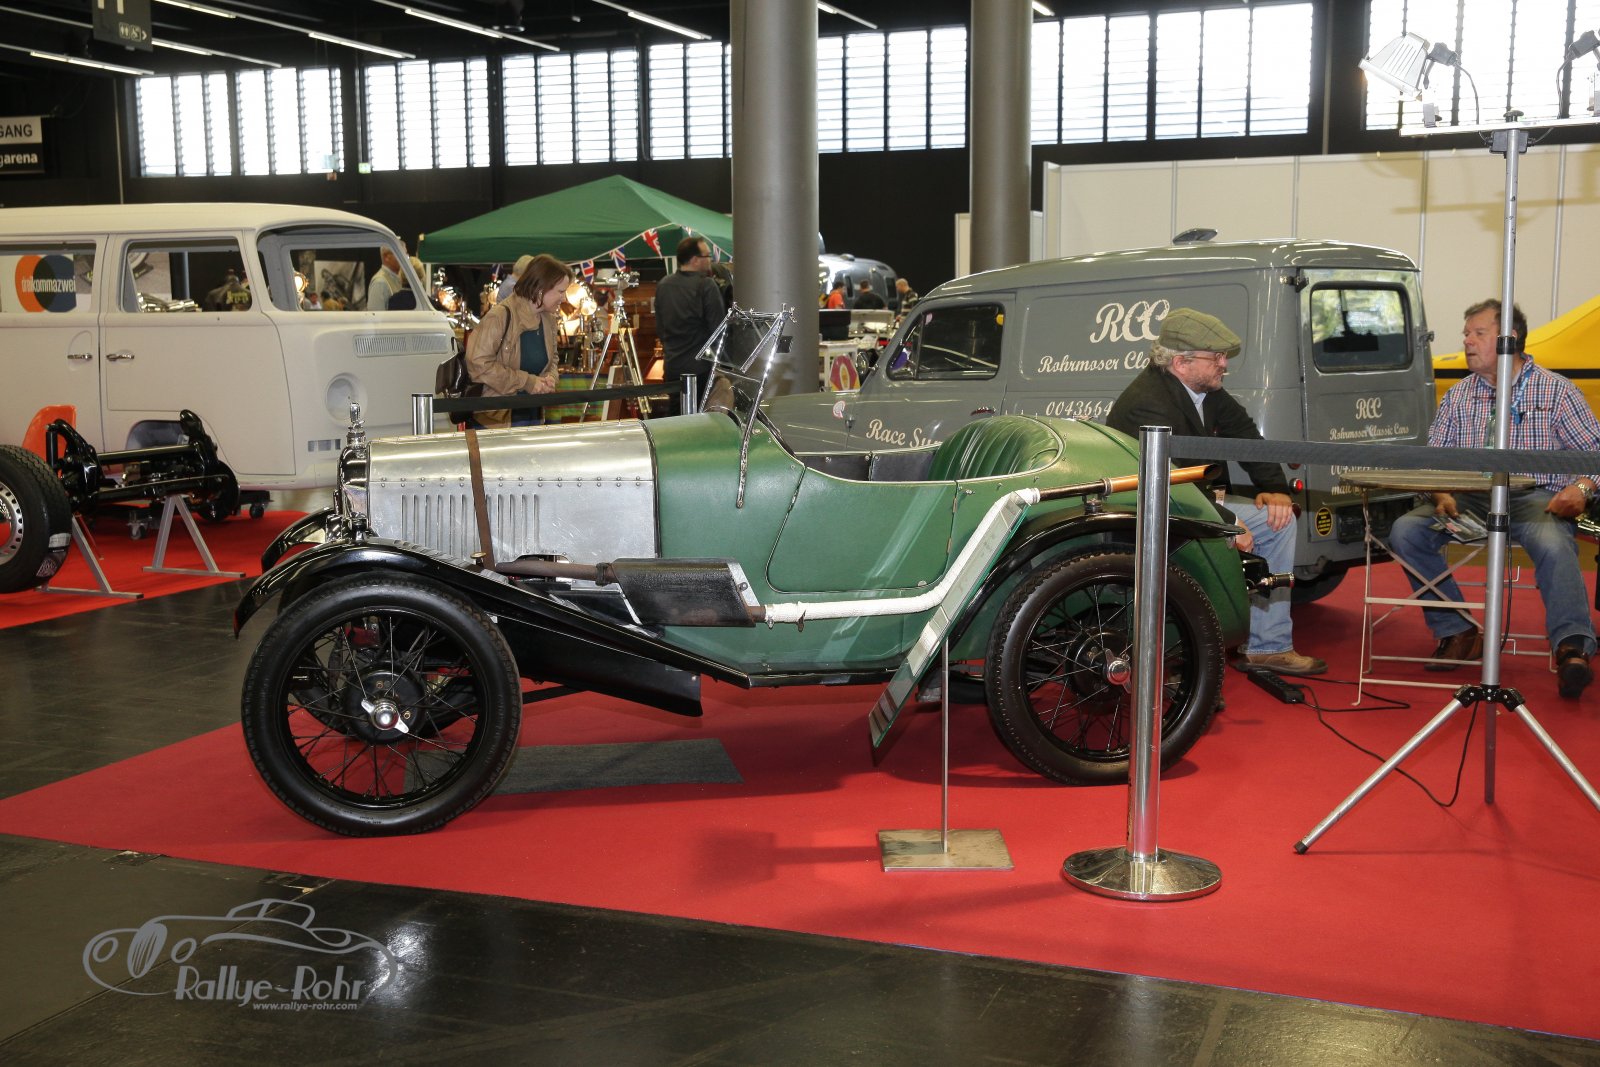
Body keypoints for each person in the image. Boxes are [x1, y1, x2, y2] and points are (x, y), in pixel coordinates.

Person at [1386, 298, 1599, 697]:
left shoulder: (1556, 391)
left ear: (1508, 339)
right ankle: (1457, 630)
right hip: (1470, 497)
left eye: (1478, 333)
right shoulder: (1458, 395)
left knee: (1554, 542)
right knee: (1406, 531)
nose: (1467, 341)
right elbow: (1433, 461)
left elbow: (1595, 453)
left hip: (1535, 496)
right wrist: (1440, 491)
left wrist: (1582, 488)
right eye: (1466, 334)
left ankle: (1572, 647)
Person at [1106, 307, 1326, 676]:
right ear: (1181, 362)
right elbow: (1175, 482)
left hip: (1191, 502)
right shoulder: (1150, 402)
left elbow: (1246, 437)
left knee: (1279, 521)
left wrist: (1274, 489)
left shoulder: (1203, 390)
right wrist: (1228, 522)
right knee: (1239, 532)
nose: (1224, 364)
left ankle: (1268, 647)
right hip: (1151, 513)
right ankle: (1176, 664)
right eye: (1217, 357)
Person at [464, 253, 571, 429]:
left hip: (533, 416)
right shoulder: (499, 316)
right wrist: (527, 382)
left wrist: (550, 378)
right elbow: (478, 364)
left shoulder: (549, 320)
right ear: (540, 288)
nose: (564, 298)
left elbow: (553, 359)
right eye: (560, 291)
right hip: (496, 420)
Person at [654, 235, 725, 408]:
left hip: (672, 367)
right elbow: (718, 330)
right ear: (695, 260)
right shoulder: (706, 285)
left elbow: (661, 329)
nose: (710, 260)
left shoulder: (664, 284)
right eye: (707, 256)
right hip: (700, 370)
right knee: (699, 419)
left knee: (676, 415)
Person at [366, 244, 406, 311]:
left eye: (405, 254)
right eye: (400, 254)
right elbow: (376, 316)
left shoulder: (399, 279)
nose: (405, 259)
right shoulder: (380, 283)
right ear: (386, 257)